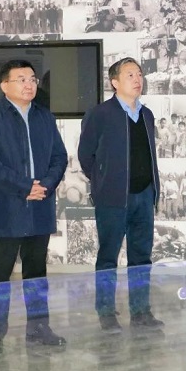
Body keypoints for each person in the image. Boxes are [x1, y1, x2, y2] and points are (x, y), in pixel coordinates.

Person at [0, 59, 68, 356]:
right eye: (21, 79)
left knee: (36, 273)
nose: (29, 84)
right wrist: (25, 186)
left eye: (32, 79)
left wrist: (45, 186)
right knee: (0, 275)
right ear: (4, 85)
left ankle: (39, 328)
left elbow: (59, 157)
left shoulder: (44, 116)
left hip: (39, 206)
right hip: (6, 207)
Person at [78, 57, 164, 334]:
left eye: (139, 74)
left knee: (141, 257)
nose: (137, 79)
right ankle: (106, 312)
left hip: (144, 196)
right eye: (130, 75)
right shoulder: (100, 114)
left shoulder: (146, 114)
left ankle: (141, 311)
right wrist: (103, 182)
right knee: (108, 257)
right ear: (114, 82)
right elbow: (86, 155)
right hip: (113, 199)